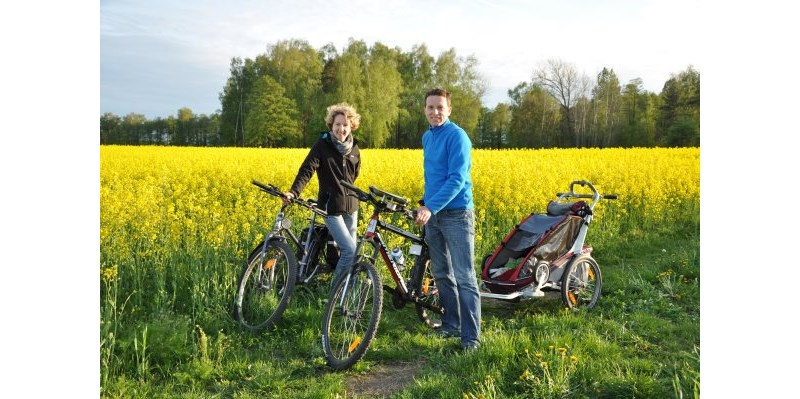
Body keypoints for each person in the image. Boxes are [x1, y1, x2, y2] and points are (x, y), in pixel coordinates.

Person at [414, 88, 481, 351]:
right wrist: (425, 202)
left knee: (465, 276)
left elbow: (457, 179)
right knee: (442, 273)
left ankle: (471, 337)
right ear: (425, 110)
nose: (435, 112)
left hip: (456, 215)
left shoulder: (457, 136)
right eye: (430, 107)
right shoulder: (428, 137)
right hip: (434, 214)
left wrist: (430, 206)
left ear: (449, 109)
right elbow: (434, 176)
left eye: (440, 107)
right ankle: (451, 324)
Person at [284, 103, 361, 287]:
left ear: (351, 127)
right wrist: (294, 192)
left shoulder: (355, 149)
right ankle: (335, 295)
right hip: (329, 208)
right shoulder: (322, 145)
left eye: (345, 125)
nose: (341, 129)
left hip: (351, 207)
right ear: (331, 125)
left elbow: (354, 175)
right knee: (350, 250)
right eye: (337, 124)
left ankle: (349, 294)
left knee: (351, 253)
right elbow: (307, 170)